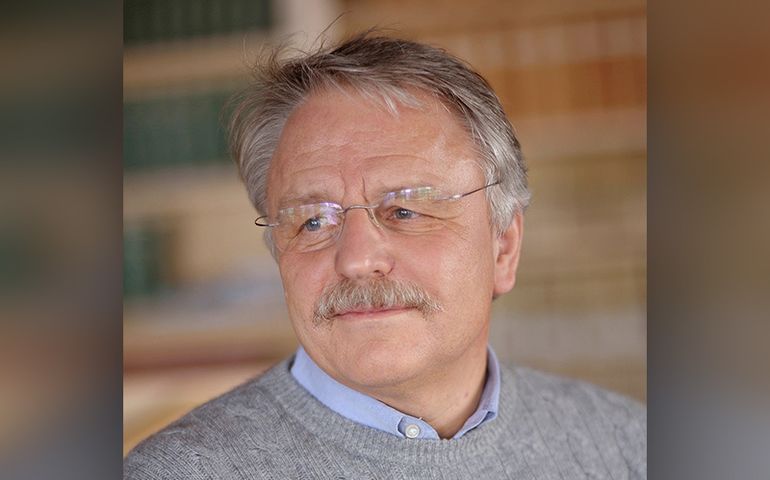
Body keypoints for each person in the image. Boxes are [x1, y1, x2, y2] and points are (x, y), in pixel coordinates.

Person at [124, 32, 646, 479]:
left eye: (405, 210)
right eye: (313, 221)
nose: (356, 259)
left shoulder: (628, 447)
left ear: (503, 247)